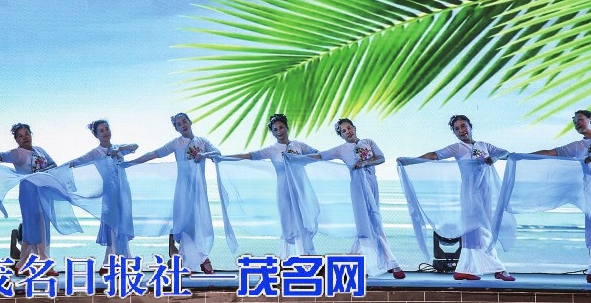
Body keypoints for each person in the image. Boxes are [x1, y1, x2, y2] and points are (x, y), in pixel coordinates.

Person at [531, 110, 591, 285]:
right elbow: (551, 152)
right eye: (574, 122)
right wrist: (521, 156)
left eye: (579, 120)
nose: (576, 124)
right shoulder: (577, 146)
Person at [415, 115, 514, 281]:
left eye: (463, 126)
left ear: (470, 126)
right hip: (470, 194)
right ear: (454, 133)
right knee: (480, 230)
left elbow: (506, 153)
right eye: (457, 129)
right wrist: (412, 160)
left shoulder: (484, 145)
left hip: (485, 193)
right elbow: (435, 155)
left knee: (474, 232)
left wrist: (495, 158)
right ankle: (498, 268)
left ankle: (464, 269)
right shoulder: (458, 148)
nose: (461, 130)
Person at [310, 118, 405, 279]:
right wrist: (298, 158)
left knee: (371, 222)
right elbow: (321, 156)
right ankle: (392, 263)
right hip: (358, 188)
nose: (348, 132)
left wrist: (364, 163)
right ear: (341, 135)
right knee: (370, 223)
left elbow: (381, 158)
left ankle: (351, 262)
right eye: (343, 131)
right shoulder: (341, 149)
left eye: (349, 128)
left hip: (372, 184)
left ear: (354, 128)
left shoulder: (368, 142)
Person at [126, 113, 220, 274]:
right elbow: (154, 153)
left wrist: (204, 154)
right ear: (176, 129)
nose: (183, 125)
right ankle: (196, 259)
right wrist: (131, 163)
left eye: (184, 121)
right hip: (183, 188)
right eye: (178, 124)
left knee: (199, 222)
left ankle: (192, 258)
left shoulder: (203, 142)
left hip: (199, 189)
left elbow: (217, 152)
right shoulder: (177, 143)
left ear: (190, 122)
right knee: (185, 222)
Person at [0, 123, 59, 276]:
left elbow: (53, 165)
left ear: (31, 134)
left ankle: (21, 265)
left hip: (43, 192)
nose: (25, 137)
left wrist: (42, 173)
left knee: (32, 230)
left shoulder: (40, 150)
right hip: (29, 194)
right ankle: (45, 264)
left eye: (26, 134)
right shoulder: (17, 153)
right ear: (16, 140)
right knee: (38, 229)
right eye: (20, 136)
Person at [225, 113, 318, 257]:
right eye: (275, 129)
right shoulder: (272, 150)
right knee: (287, 222)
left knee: (302, 221)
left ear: (287, 127)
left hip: (300, 189)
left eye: (281, 127)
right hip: (284, 190)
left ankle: (306, 257)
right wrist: (223, 158)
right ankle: (286, 258)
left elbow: (317, 155)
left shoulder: (298, 145)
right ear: (272, 133)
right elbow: (249, 155)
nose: (279, 131)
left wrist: (301, 160)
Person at [69, 120, 138, 275]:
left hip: (124, 191)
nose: (105, 132)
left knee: (122, 225)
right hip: (110, 192)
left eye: (107, 129)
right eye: (101, 131)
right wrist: (62, 168)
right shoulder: (95, 153)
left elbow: (135, 146)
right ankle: (115, 262)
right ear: (96, 135)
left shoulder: (118, 148)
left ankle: (117, 261)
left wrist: (120, 149)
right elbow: (77, 162)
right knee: (112, 225)